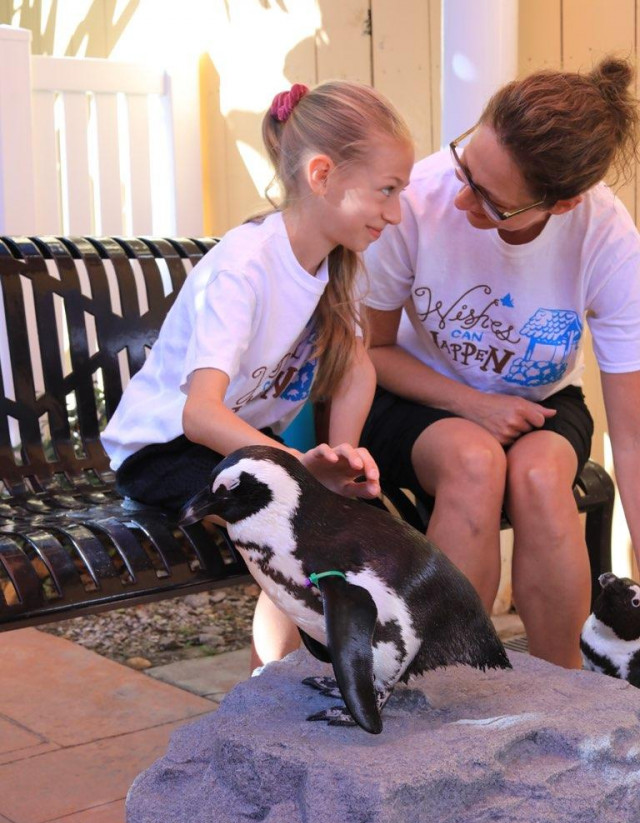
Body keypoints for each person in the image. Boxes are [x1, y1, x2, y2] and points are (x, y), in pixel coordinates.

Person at [100, 79, 414, 670]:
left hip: (236, 452)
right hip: (164, 450)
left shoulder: (331, 263)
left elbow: (355, 368)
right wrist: (295, 468)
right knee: (291, 513)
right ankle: (282, 679)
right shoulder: (245, 267)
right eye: (386, 191)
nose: (395, 214)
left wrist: (343, 458)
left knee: (360, 523)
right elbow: (199, 414)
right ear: (322, 174)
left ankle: (333, 674)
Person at [360, 57, 640, 670]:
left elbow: (634, 438)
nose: (462, 197)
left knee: (542, 479)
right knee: (474, 461)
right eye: (465, 165)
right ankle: (446, 686)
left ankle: (563, 698)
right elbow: (371, 351)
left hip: (541, 404)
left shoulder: (607, 239)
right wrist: (473, 404)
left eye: (490, 199)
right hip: (412, 397)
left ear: (560, 205)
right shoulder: (419, 201)